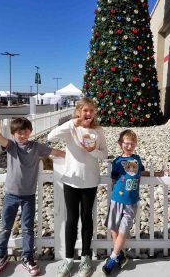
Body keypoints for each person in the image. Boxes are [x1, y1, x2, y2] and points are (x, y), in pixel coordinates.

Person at [0, 117, 65, 276]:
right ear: (13, 133)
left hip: (28, 196)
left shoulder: (36, 147)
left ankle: (27, 257)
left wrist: (72, 156)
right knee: (5, 227)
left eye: (25, 131)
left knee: (27, 229)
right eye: (18, 132)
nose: (22, 135)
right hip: (11, 194)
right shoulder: (11, 146)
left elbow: (54, 152)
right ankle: (0, 255)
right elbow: (0, 139)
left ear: (30, 131)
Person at [47, 97, 108, 277]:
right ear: (79, 112)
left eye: (91, 110)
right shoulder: (71, 128)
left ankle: (86, 257)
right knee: (72, 220)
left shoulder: (98, 130)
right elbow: (51, 137)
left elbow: (104, 154)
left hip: (90, 181)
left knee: (87, 218)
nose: (88, 114)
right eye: (84, 110)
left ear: (94, 112)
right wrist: (73, 122)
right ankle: (68, 259)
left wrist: (92, 151)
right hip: (71, 181)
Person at [102, 129, 148, 276]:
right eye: (126, 144)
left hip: (131, 202)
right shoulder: (116, 162)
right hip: (117, 200)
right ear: (121, 144)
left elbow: (140, 172)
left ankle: (112, 257)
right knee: (114, 229)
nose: (129, 146)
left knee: (123, 230)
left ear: (135, 144)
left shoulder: (137, 159)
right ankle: (120, 255)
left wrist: (156, 173)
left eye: (132, 144)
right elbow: (114, 178)